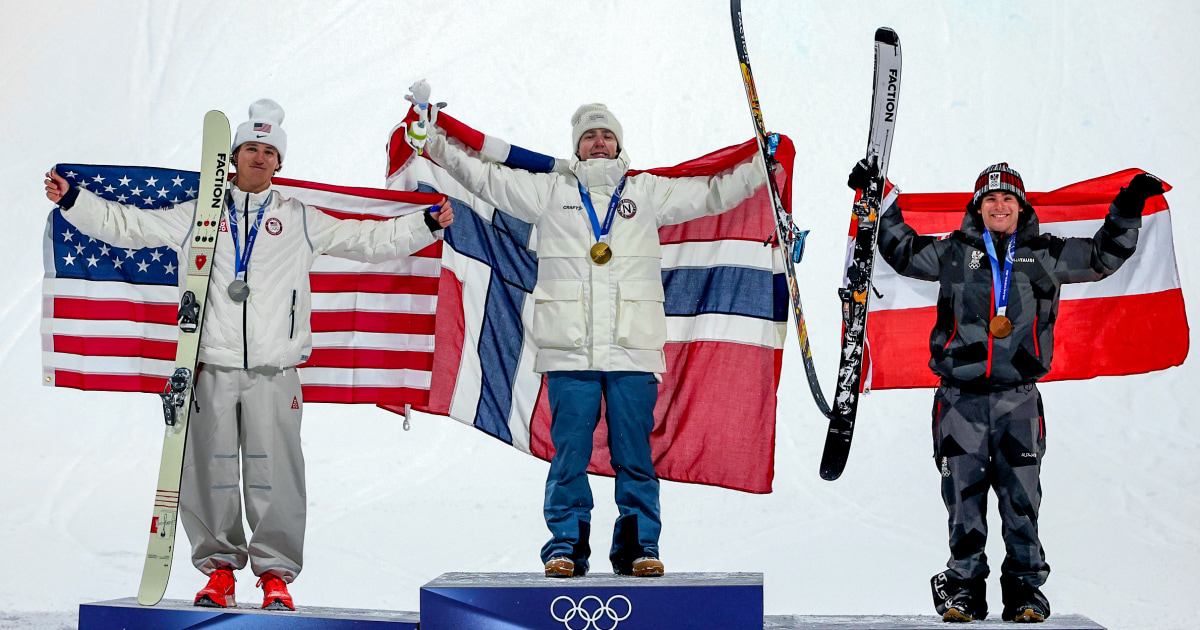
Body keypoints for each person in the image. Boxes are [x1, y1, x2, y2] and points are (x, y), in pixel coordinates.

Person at [44, 99, 453, 610]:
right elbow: (130, 226)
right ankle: (218, 572)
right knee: (209, 474)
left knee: (275, 477)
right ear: (233, 157)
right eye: (251, 148)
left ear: (280, 163)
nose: (259, 157)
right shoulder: (200, 215)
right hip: (209, 368)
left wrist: (425, 226)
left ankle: (276, 575)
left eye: (269, 151)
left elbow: (367, 239)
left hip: (273, 372)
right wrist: (74, 200)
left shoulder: (299, 218)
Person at [412, 88, 770, 578]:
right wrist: (432, 140)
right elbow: (485, 177)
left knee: (635, 457)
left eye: (606, 135)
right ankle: (565, 546)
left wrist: (762, 165)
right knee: (570, 456)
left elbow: (713, 193)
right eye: (589, 136)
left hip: (632, 350)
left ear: (619, 144)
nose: (598, 142)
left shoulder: (646, 193)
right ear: (576, 147)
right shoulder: (551, 191)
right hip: (570, 351)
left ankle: (639, 548)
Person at [849, 161, 1163, 622]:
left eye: (1008, 198)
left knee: (1022, 501)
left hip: (1018, 401)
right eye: (991, 199)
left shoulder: (1045, 254)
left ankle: (1024, 592)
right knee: (963, 501)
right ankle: (963, 590)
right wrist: (877, 199)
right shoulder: (955, 253)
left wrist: (1128, 206)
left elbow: (1102, 257)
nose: (999, 205)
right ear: (978, 207)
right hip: (960, 401)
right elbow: (903, 252)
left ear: (1021, 206)